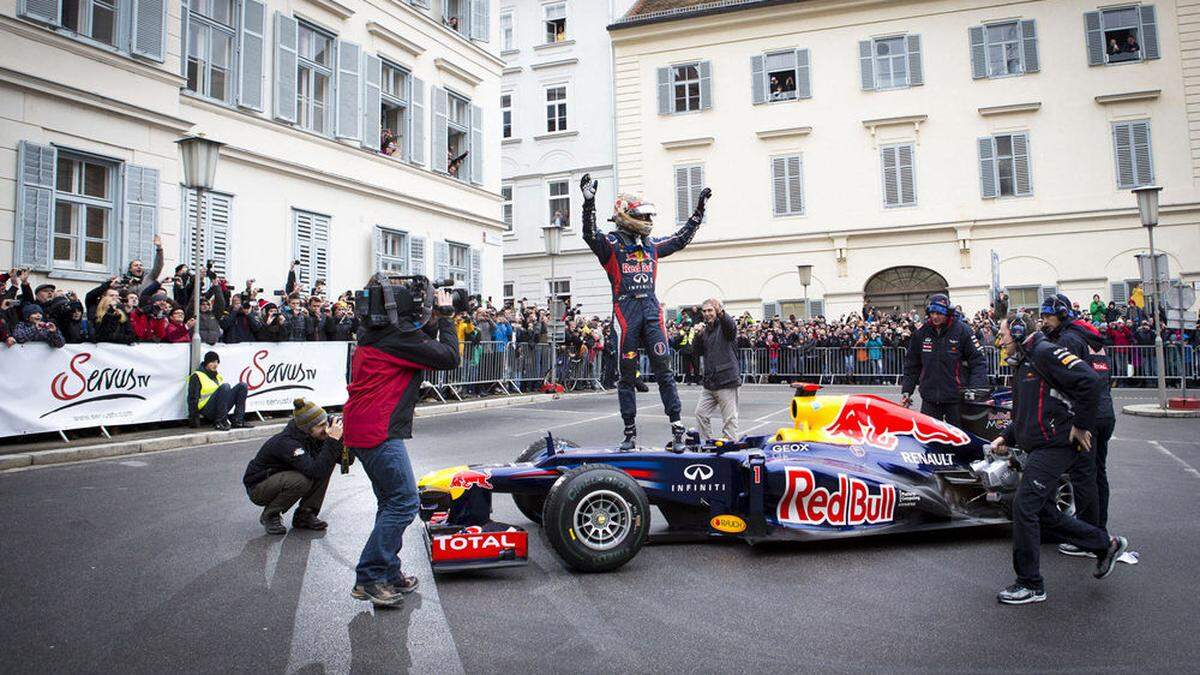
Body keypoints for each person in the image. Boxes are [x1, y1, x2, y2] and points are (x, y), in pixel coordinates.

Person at [991, 315, 1129, 605]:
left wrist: (1082, 425)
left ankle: (1030, 584)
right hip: (1040, 445)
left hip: (1055, 445)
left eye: (1002, 334)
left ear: (1017, 333)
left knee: (1024, 506)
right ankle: (1106, 544)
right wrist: (1007, 436)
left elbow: (1089, 382)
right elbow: (1026, 413)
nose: (999, 340)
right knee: (1044, 513)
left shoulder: (1045, 352)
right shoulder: (1024, 362)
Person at [342, 283, 459, 608]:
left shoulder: (380, 332)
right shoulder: (398, 338)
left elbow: (421, 344)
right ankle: (369, 577)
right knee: (404, 503)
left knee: (389, 502)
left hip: (365, 426)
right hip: (377, 430)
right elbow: (448, 357)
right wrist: (447, 317)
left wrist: (433, 321)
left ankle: (389, 571)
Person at [579, 172, 711, 448]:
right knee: (626, 375)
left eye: (649, 217)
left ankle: (677, 429)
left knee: (664, 370)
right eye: (643, 216)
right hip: (625, 310)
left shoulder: (651, 245)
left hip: (651, 308)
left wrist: (698, 212)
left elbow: (680, 239)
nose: (648, 222)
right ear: (626, 215)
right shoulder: (612, 245)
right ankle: (629, 433)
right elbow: (590, 234)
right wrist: (588, 203)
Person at [1039, 294, 1117, 555]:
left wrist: (1079, 422)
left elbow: (1071, 382)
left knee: (1083, 476)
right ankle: (1098, 530)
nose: (1044, 322)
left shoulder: (1069, 340)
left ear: (1061, 314)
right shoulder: (1090, 335)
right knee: (1097, 474)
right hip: (1105, 413)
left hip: (1089, 417)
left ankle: (1088, 536)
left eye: (1048, 316)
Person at [242, 399, 343, 535]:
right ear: (308, 428)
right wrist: (332, 441)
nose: (326, 428)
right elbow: (315, 471)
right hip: (258, 487)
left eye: (326, 423)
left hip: (281, 478)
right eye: (321, 425)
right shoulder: (288, 443)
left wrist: (342, 438)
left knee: (326, 461)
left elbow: (344, 461)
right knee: (301, 480)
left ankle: (305, 514)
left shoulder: (313, 436)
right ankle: (271, 515)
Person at [899, 293, 987, 427]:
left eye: (939, 313)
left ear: (948, 313)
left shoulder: (963, 331)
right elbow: (912, 365)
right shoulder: (921, 333)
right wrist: (907, 391)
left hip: (957, 398)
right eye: (932, 312)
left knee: (961, 440)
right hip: (929, 398)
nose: (935, 316)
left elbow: (978, 362)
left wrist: (975, 389)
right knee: (929, 440)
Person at [693, 298, 740, 440]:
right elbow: (697, 351)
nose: (707, 313)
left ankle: (730, 450)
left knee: (729, 419)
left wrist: (721, 312)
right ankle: (707, 444)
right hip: (709, 382)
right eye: (705, 311)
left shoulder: (724, 327)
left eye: (710, 310)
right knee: (700, 414)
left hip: (726, 380)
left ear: (717, 311)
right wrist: (697, 335)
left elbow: (731, 327)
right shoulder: (706, 330)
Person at [187, 351, 249, 431]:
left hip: (220, 408)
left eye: (217, 362)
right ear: (206, 363)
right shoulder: (197, 376)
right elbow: (192, 399)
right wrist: (193, 420)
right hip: (207, 410)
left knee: (242, 386)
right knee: (225, 386)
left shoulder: (217, 376)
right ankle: (220, 422)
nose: (215, 364)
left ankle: (238, 421)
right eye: (212, 362)